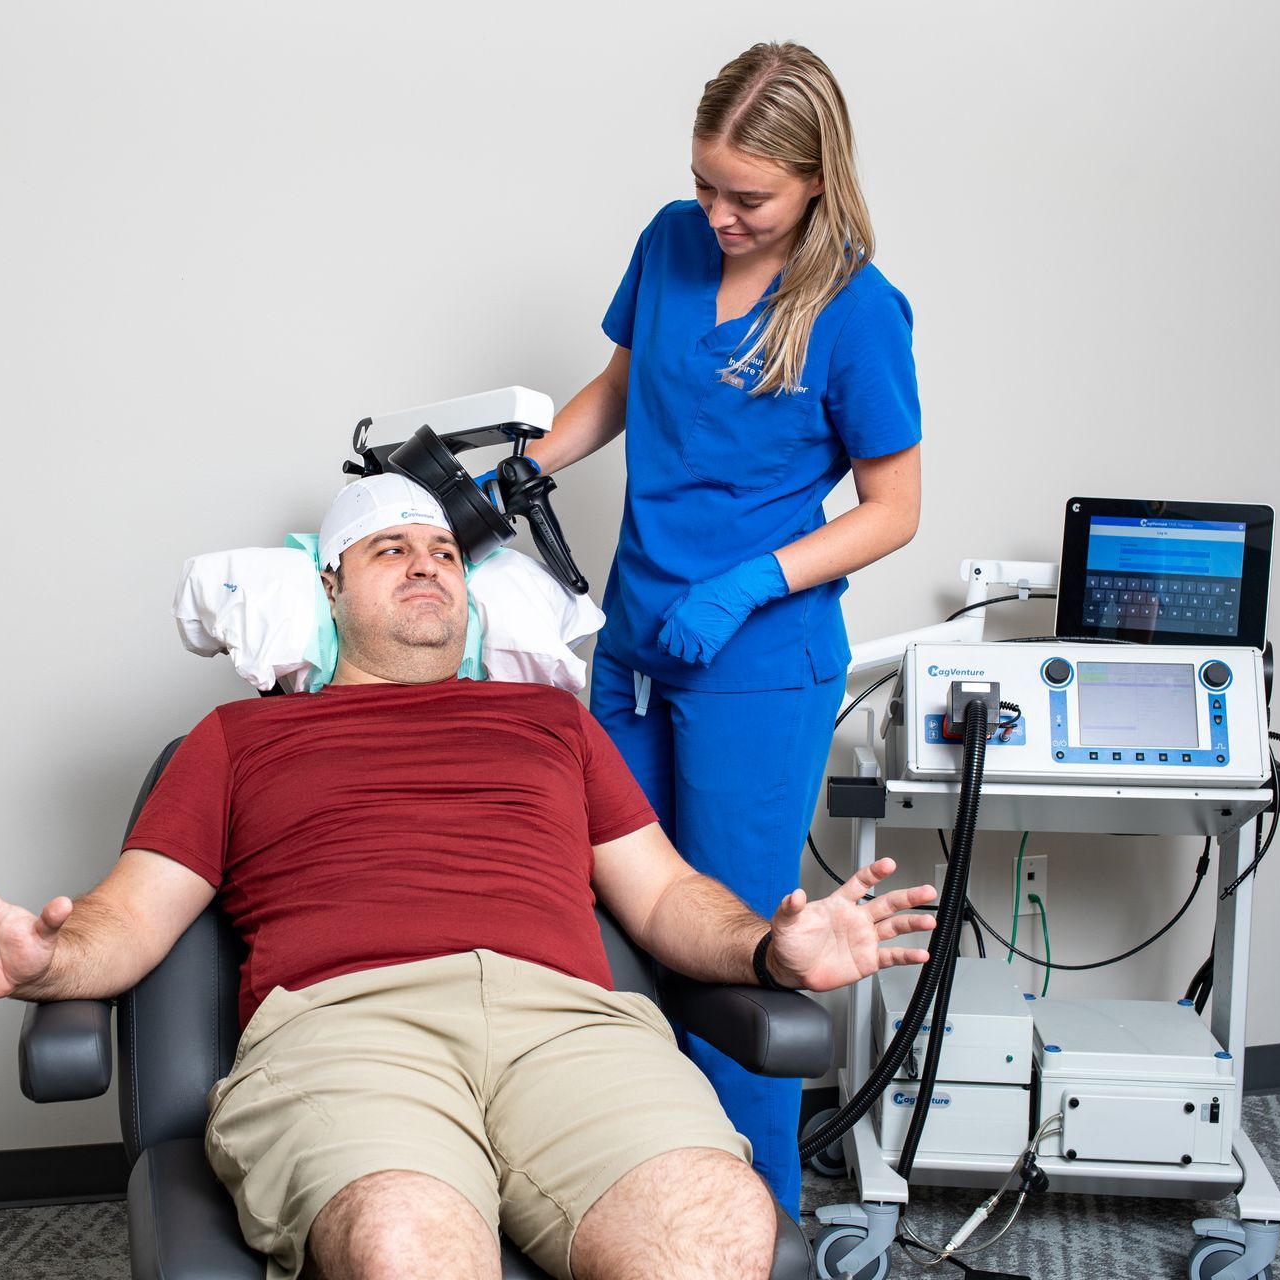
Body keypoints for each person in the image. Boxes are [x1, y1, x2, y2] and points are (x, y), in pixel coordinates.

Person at [0, 473, 934, 1280]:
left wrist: (766, 943)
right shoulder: (239, 737)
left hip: (570, 1024)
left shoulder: (550, 723)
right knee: (404, 1242)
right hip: (347, 1026)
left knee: (716, 1218)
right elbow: (129, 915)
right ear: (330, 586)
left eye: (444, 551)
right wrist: (46, 959)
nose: (428, 564)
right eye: (391, 548)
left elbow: (665, 895)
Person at [522, 41, 923, 1214]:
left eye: (745, 195)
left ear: (814, 178)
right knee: (611, 923)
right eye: (705, 181)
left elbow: (895, 509)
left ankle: (761, 1220)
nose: (718, 212)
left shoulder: (857, 310)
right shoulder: (669, 241)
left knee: (745, 943)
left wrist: (753, 581)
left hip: (757, 662)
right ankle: (621, 1192)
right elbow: (622, 382)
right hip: (638, 637)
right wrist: (522, 474)